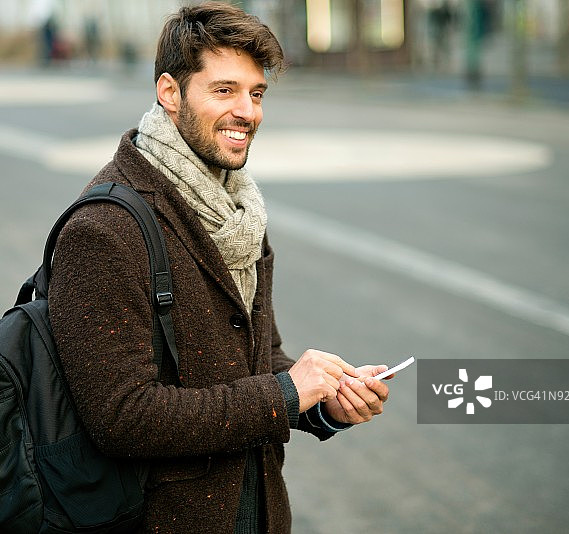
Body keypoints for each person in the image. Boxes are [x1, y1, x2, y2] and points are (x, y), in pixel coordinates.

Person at [48, 3, 392, 533]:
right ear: (170, 93)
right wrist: (285, 394)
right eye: (225, 90)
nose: (247, 112)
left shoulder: (239, 212)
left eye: (256, 93)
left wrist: (324, 402)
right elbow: (120, 417)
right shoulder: (103, 230)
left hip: (257, 511)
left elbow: (259, 360)